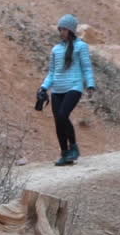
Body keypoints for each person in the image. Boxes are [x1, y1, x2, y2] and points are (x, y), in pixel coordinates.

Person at [40, 14, 96, 166]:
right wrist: (43, 88)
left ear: (71, 30)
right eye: (60, 29)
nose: (61, 32)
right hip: (57, 89)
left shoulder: (81, 46)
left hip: (74, 86)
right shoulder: (56, 49)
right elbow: (51, 73)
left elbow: (86, 67)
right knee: (58, 121)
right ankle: (65, 154)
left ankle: (74, 148)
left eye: (64, 29)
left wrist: (90, 84)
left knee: (63, 115)